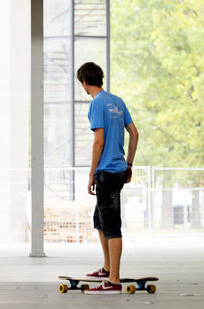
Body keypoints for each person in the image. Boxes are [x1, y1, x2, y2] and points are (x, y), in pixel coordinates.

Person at [76, 62, 139, 294]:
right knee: (100, 220)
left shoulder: (97, 104)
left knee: (111, 225)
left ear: (84, 82)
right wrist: (129, 163)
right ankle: (107, 267)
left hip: (107, 172)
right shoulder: (118, 101)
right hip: (119, 169)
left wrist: (91, 173)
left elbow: (99, 141)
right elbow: (134, 133)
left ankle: (113, 280)